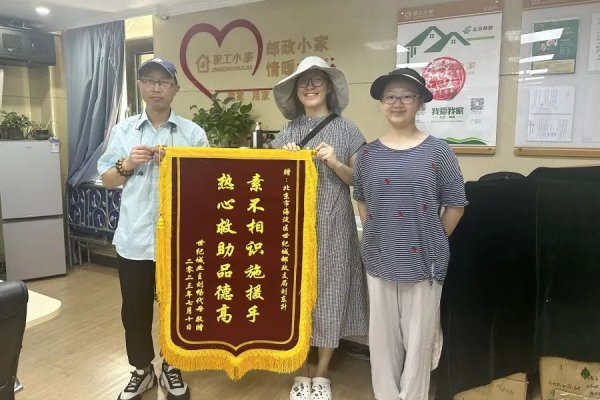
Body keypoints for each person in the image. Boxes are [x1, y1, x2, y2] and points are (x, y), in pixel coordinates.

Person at [97, 57, 209, 400]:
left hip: (179, 241)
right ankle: (142, 370)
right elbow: (107, 180)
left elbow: (208, 185)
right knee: (134, 310)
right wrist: (128, 163)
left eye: (163, 82)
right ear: (140, 87)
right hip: (134, 239)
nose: (156, 87)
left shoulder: (193, 133)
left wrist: (180, 166)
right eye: (149, 81)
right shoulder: (124, 131)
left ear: (175, 88)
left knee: (178, 309)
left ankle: (173, 366)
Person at [353, 68, 467, 400]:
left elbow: (456, 205)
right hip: (378, 260)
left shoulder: (438, 151)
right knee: (382, 341)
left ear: (420, 102)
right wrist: (378, 236)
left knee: (419, 343)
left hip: (425, 264)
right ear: (381, 103)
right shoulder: (367, 155)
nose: (397, 103)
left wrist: (432, 239)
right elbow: (362, 200)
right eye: (390, 96)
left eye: (406, 96)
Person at [271, 56, 369, 400]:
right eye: (303, 82)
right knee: (295, 297)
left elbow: (359, 181)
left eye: (317, 81)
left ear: (328, 87)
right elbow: (269, 184)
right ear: (296, 91)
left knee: (331, 293)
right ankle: (301, 370)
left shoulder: (349, 130)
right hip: (293, 230)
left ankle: (323, 373)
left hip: (335, 227)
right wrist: (283, 162)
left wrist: (336, 162)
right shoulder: (287, 132)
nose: (310, 87)